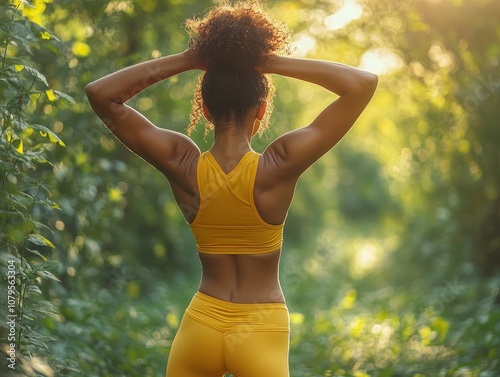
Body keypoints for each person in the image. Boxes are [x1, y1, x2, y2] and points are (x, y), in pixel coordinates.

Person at [85, 1, 377, 376]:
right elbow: (363, 84)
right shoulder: (278, 165)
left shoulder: (182, 163)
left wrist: (191, 58)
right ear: (261, 109)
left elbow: (100, 94)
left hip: (201, 323)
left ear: (205, 109)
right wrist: (266, 61)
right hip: (261, 327)